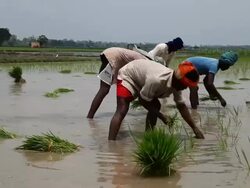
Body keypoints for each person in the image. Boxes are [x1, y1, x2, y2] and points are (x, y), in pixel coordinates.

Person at [108, 59, 204, 140]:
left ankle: (149, 136)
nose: (185, 88)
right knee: (122, 108)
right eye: (185, 86)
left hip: (143, 79)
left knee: (156, 106)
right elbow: (142, 100)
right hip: (129, 75)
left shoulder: (177, 85)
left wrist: (194, 128)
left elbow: (182, 107)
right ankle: (111, 143)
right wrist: (162, 117)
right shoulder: (156, 80)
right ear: (178, 81)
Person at [87, 47, 148, 119]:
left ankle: (90, 117)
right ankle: (90, 116)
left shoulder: (139, 57)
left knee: (107, 90)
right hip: (112, 57)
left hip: (107, 55)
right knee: (104, 90)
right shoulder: (144, 61)